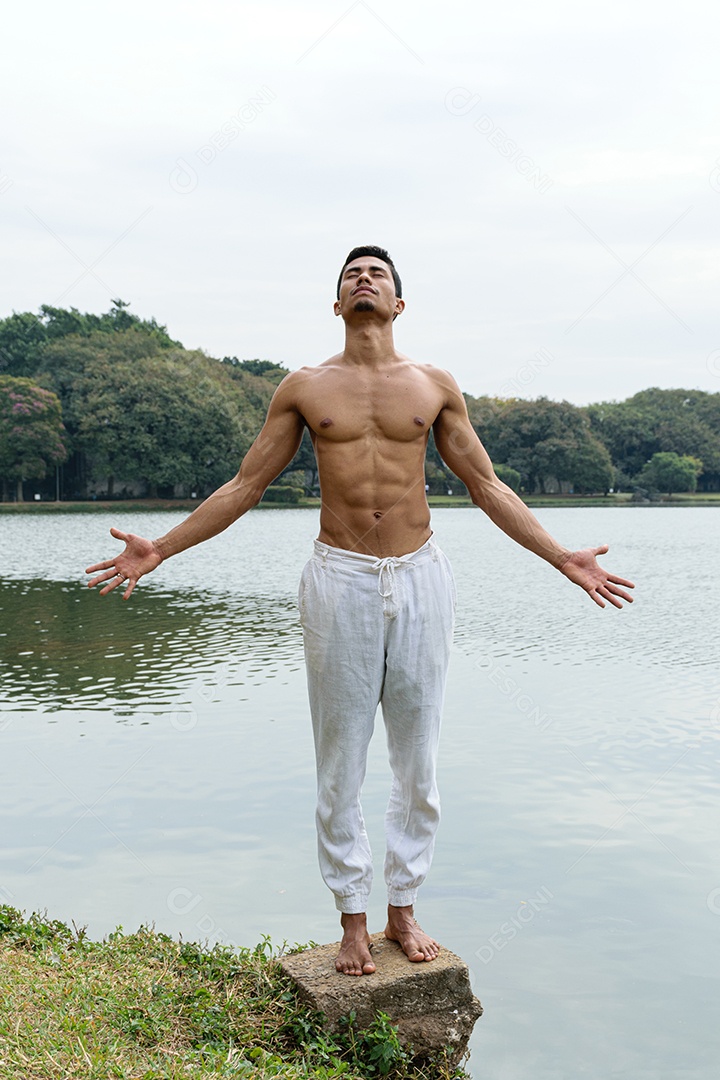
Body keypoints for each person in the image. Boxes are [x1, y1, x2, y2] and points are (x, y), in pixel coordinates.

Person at [86, 245, 635, 977]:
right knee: (340, 757)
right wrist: (162, 550)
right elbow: (245, 485)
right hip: (338, 577)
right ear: (337, 304)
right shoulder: (305, 388)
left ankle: (402, 911)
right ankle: (351, 919)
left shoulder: (434, 385)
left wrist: (561, 555)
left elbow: (486, 484)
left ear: (399, 305)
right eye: (352, 275)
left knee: (418, 757)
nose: (364, 279)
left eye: (377, 273)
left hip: (421, 577)